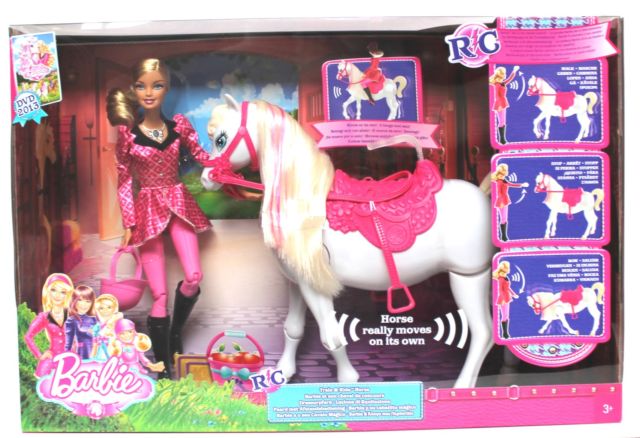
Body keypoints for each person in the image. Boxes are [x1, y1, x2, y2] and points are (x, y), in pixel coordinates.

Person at [106, 58, 212, 378]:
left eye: (157, 85)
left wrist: (227, 164)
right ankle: (164, 368)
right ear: (134, 90)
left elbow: (202, 156)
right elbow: (124, 180)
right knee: (160, 294)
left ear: (166, 88)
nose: (149, 93)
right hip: (147, 207)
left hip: (178, 200)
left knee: (194, 275)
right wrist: (129, 222)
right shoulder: (127, 134)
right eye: (141, 86)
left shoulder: (179, 126)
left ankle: (175, 332)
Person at [24, 273, 74, 377]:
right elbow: (28, 336)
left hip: (72, 359)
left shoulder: (73, 315)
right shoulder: (44, 317)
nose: (57, 295)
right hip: (51, 360)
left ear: (67, 295)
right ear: (48, 292)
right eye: (53, 290)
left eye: (63, 292)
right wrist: (39, 355)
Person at [491, 163, 528, 242]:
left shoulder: (503, 180)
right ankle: (503, 236)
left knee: (504, 219)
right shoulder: (499, 181)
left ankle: (504, 236)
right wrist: (501, 202)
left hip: (504, 200)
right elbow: (499, 192)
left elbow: (510, 184)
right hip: (502, 201)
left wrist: (521, 185)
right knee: (503, 219)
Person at [64, 285, 98, 360]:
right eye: (80, 300)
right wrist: (66, 359)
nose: (83, 304)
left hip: (96, 355)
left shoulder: (94, 319)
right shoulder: (72, 320)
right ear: (74, 301)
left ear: (92, 303)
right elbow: (68, 343)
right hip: (81, 355)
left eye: (88, 301)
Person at [489, 65, 519, 144]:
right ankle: (502, 139)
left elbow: (509, 79)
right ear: (501, 74)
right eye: (504, 73)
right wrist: (499, 105)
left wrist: (514, 71)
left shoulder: (501, 83)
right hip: (500, 104)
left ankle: (502, 139)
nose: (505, 75)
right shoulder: (497, 84)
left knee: (503, 121)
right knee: (501, 122)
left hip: (503, 103)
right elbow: (497, 96)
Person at [91, 294, 123, 361]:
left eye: (109, 307)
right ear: (97, 310)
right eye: (101, 308)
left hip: (114, 350)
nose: (105, 310)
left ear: (114, 308)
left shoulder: (118, 322)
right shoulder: (97, 325)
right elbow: (95, 341)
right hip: (100, 351)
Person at [493, 261, 519, 339]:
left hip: (507, 298)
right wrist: (503, 299)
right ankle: (505, 333)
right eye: (508, 267)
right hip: (503, 299)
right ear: (505, 268)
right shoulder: (501, 278)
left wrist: (514, 294)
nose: (509, 269)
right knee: (504, 316)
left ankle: (506, 333)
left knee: (506, 316)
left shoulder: (505, 277)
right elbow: (500, 290)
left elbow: (508, 288)